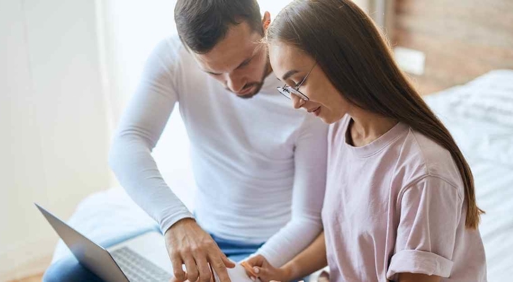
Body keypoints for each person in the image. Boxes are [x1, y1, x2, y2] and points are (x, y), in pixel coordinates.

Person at [42, 1, 328, 282]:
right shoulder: (173, 56)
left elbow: (307, 220)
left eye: (244, 63)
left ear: (266, 25)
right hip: (199, 236)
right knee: (64, 275)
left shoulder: (304, 97)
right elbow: (128, 142)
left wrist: (242, 274)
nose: (233, 85)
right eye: (214, 72)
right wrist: (176, 221)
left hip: (270, 251)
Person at [244, 0, 487, 281]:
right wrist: (286, 272)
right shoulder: (343, 128)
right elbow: (348, 232)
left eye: (298, 82)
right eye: (287, 89)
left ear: (343, 60)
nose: (296, 103)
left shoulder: (424, 171)